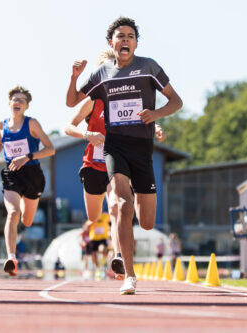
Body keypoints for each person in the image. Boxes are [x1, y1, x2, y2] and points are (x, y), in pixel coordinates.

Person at [66, 17, 182, 295]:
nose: (125, 40)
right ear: (111, 42)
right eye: (120, 36)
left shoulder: (149, 67)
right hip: (115, 147)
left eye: (130, 36)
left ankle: (128, 250)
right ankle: (129, 274)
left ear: (136, 42)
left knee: (146, 222)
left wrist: (155, 115)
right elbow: (72, 102)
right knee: (121, 202)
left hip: (142, 149)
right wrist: (73, 77)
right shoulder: (103, 73)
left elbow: (176, 101)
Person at [0, 86, 55, 276]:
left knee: (27, 220)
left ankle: (25, 204)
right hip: (12, 173)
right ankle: (11, 257)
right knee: (12, 213)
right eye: (14, 99)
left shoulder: (32, 124)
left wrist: (27, 157)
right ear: (9, 103)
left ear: (26, 106)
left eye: (21, 100)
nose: (17, 102)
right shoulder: (2, 124)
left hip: (32, 174)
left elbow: (50, 149)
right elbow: (0, 143)